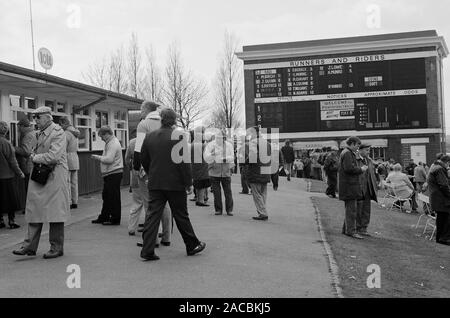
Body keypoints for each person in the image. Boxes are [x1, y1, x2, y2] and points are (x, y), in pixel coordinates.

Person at [140, 108, 205, 261]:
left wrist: (151, 173)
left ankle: (147, 250)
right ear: (174, 121)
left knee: (152, 216)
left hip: (156, 183)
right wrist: (188, 183)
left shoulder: (149, 137)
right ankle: (192, 245)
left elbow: (143, 159)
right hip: (175, 184)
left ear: (161, 119)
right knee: (181, 215)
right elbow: (184, 163)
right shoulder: (179, 137)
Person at [13, 107, 69, 259]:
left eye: (38, 117)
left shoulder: (57, 132)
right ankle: (29, 245)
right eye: (34, 118)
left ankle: (56, 247)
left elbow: (54, 156)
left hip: (55, 177)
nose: (35, 121)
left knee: (55, 213)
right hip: (40, 175)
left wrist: (34, 157)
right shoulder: (38, 133)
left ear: (47, 117)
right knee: (34, 209)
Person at [133, 101, 171, 246]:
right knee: (165, 203)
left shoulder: (144, 124)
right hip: (166, 168)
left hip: (148, 168)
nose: (140, 111)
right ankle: (166, 237)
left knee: (149, 203)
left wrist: (136, 167)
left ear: (146, 109)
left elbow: (138, 148)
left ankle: (152, 240)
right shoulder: (167, 123)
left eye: (141, 109)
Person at [91, 126, 124, 225]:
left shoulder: (112, 144)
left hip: (113, 173)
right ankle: (104, 216)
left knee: (113, 197)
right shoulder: (111, 142)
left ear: (107, 134)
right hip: (112, 173)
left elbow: (109, 159)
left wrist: (97, 157)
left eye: (102, 136)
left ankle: (114, 218)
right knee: (107, 196)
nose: (101, 139)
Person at [339, 136, 367, 239]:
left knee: (349, 209)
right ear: (352, 143)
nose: (358, 148)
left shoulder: (346, 152)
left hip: (348, 185)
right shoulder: (347, 153)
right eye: (357, 145)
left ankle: (346, 229)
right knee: (352, 210)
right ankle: (351, 231)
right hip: (349, 185)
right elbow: (349, 168)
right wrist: (361, 169)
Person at [0, 121, 25, 229]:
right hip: (7, 176)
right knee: (11, 200)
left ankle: (0, 221)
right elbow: (12, 161)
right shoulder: (6, 143)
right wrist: (20, 173)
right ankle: (11, 221)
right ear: (5, 131)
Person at [204, 131, 235, 216]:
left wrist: (225, 159)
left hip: (226, 172)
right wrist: (212, 154)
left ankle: (229, 210)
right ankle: (218, 210)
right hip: (214, 172)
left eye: (221, 137)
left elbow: (232, 156)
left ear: (224, 137)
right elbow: (206, 157)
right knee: (216, 193)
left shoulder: (229, 145)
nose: (219, 139)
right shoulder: (210, 145)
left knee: (228, 192)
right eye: (218, 137)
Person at [245, 127, 272, 221]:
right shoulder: (267, 143)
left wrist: (245, 162)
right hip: (266, 170)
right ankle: (262, 211)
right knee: (263, 193)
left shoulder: (253, 143)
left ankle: (263, 213)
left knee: (256, 194)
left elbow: (252, 157)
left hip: (256, 171)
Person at [427, 155, 450, 246]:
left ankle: (441, 238)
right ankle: (444, 238)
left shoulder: (435, 167)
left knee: (442, 219)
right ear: (447, 162)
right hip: (441, 199)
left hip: (437, 198)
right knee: (446, 219)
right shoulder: (440, 169)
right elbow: (443, 185)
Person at [15, 118, 37, 212]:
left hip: (28, 165)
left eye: (19, 127)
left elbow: (26, 151)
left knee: (29, 188)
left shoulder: (27, 135)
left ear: (23, 126)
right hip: (33, 164)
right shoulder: (33, 133)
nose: (18, 130)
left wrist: (13, 148)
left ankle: (30, 209)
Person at [356, 144, 378, 236]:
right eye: (366, 150)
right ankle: (357, 228)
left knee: (366, 209)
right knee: (358, 209)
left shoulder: (369, 160)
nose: (368, 152)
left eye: (369, 150)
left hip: (369, 187)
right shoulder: (356, 159)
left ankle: (364, 228)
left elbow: (372, 173)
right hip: (360, 187)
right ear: (360, 150)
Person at [125, 137, 146, 236]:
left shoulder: (132, 142)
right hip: (148, 178)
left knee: (136, 203)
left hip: (135, 176)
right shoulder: (153, 139)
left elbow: (127, 159)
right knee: (150, 205)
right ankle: (154, 229)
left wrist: (132, 168)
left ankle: (131, 228)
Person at [59, 117, 80, 209]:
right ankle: (75, 201)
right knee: (74, 182)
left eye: (61, 124)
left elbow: (63, 148)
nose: (60, 126)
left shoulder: (66, 134)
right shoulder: (75, 132)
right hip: (75, 158)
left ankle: (67, 202)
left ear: (64, 124)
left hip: (67, 158)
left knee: (66, 182)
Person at [191, 126, 210, 207]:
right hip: (202, 166)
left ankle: (198, 199)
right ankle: (201, 200)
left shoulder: (192, 145)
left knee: (197, 184)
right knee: (202, 184)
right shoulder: (203, 146)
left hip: (194, 166)